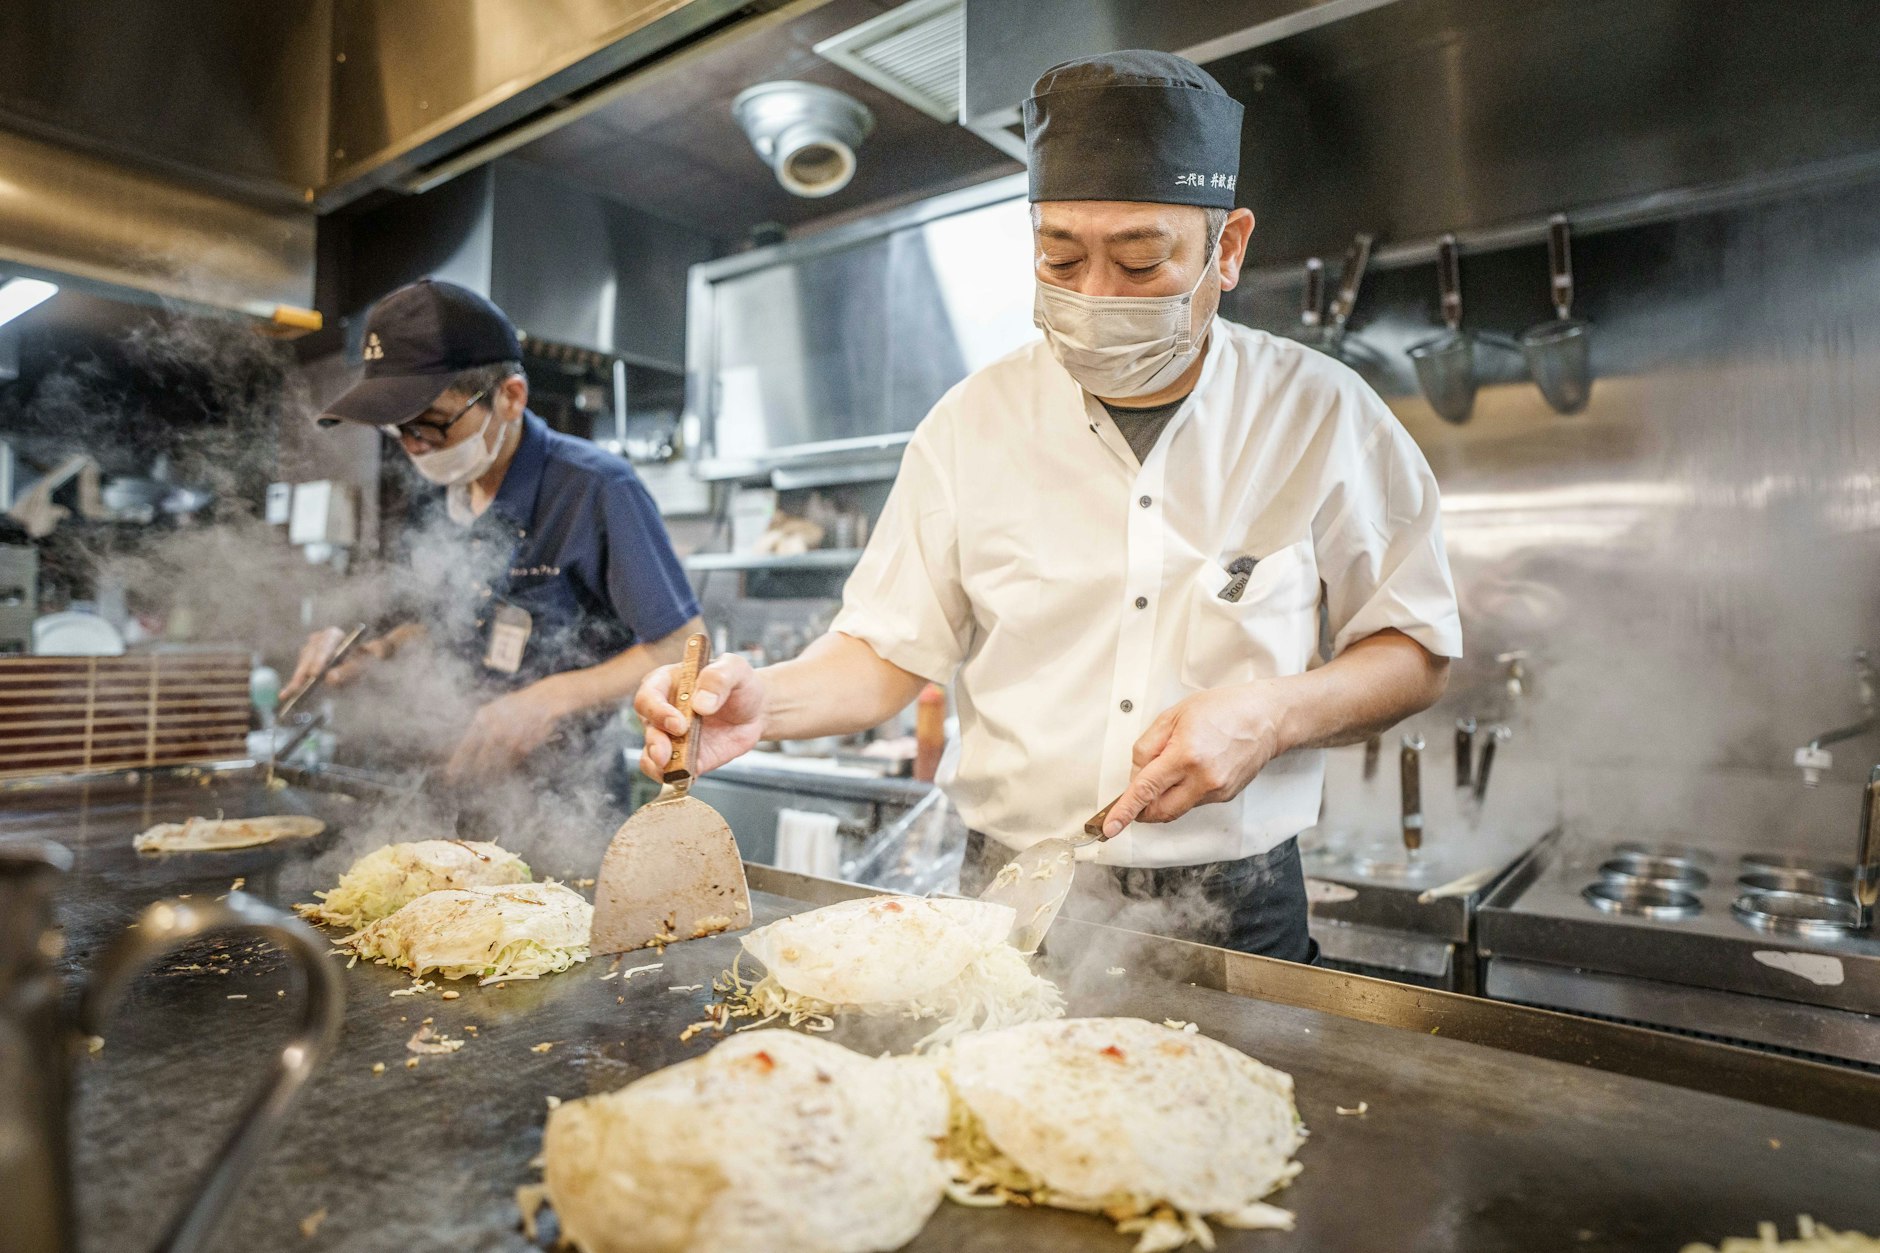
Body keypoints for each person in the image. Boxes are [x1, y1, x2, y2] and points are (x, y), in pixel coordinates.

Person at [634, 51, 1462, 962]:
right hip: (1012, 898)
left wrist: (1271, 716)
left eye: (1141, 260)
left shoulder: (1320, 413)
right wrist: (764, 702)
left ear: (1225, 250)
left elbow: (1414, 652)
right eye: (1060, 257)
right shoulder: (970, 423)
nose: (1094, 296)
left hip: (1238, 904)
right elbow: (884, 653)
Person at [293, 279, 701, 782]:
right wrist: (381, 650)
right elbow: (450, 620)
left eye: (433, 423)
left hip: (565, 794)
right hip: (455, 776)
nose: (415, 447)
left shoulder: (596, 488)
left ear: (510, 397)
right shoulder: (443, 488)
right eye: (400, 429)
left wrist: (549, 698)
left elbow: (684, 648)